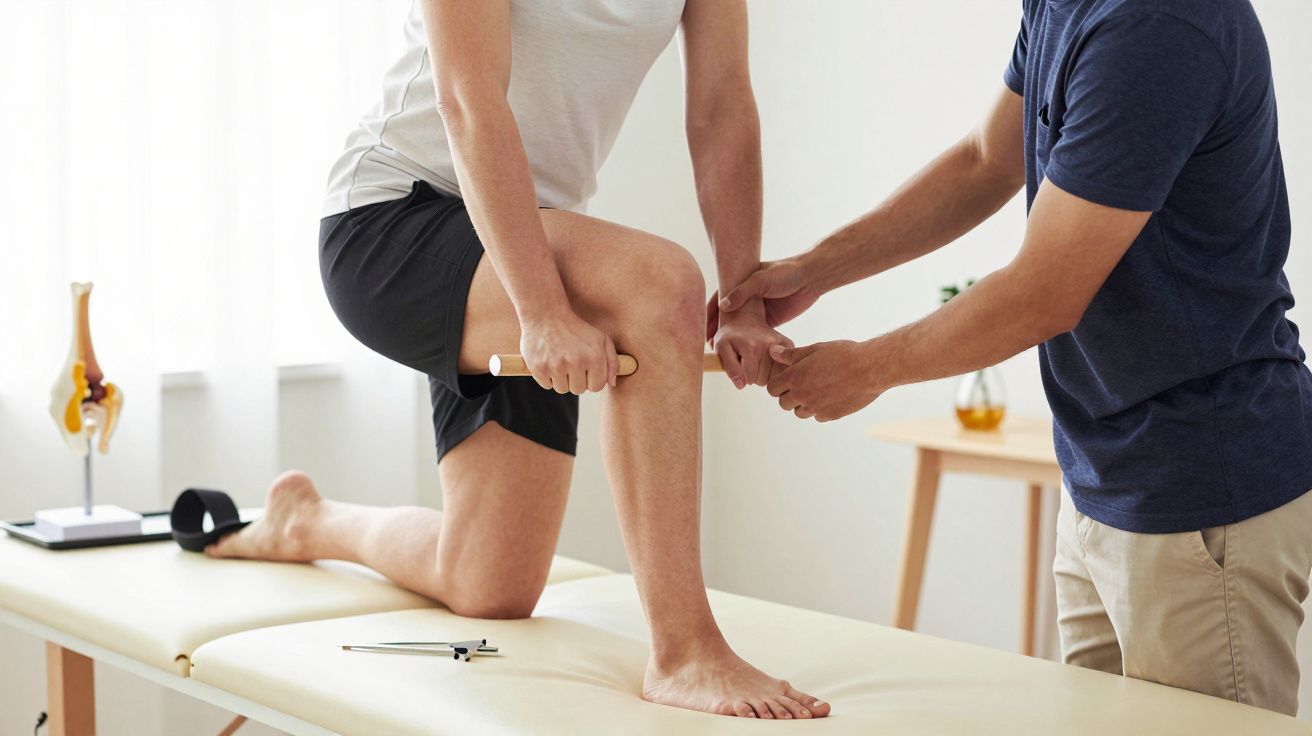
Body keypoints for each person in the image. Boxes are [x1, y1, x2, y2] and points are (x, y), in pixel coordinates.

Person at [207, 0, 828, 721]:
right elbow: (467, 98)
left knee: (489, 583)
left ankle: (307, 522)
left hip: (526, 235)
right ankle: (684, 649)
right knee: (659, 283)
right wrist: (541, 310)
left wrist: (745, 297)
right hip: (394, 220)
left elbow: (721, 108)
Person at [718, 0, 1312, 716]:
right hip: (1103, 471)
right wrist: (812, 270)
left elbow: (1044, 292)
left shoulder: (1159, 23)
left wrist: (867, 368)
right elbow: (983, 161)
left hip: (1200, 481)